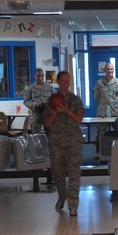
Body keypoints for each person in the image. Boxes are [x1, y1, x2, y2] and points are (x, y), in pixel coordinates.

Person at [43, 71, 85, 217]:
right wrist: (54, 113)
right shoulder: (51, 100)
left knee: (74, 173)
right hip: (56, 142)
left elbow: (79, 119)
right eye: (63, 81)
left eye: (68, 81)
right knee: (57, 172)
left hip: (73, 141)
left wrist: (67, 111)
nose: (65, 84)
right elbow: (46, 124)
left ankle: (73, 205)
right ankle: (62, 196)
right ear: (58, 81)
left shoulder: (75, 100)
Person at [93, 63, 118, 159]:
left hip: (116, 112)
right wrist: (103, 105)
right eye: (108, 69)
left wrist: (115, 104)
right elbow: (96, 98)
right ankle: (98, 152)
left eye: (111, 69)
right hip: (103, 112)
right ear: (104, 70)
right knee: (100, 133)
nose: (110, 71)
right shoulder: (99, 83)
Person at [23, 68, 55, 134]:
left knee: (51, 134)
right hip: (36, 114)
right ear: (35, 76)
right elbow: (25, 101)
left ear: (44, 76)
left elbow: (56, 99)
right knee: (35, 135)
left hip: (48, 113)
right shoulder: (30, 88)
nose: (40, 78)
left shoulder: (50, 87)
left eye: (41, 76)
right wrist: (35, 104)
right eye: (38, 76)